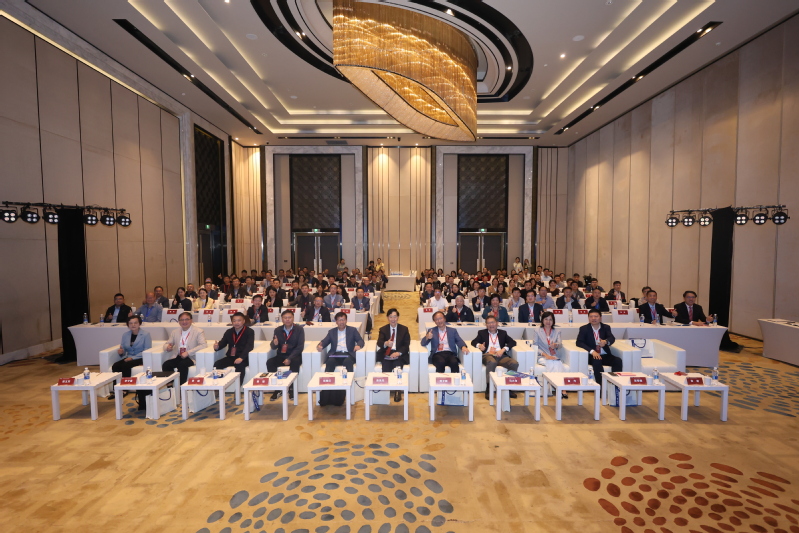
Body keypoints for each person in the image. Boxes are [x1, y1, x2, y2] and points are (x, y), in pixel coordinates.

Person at [471, 316, 518, 399]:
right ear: (486, 325)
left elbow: (513, 342)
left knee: (514, 363)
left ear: (497, 323)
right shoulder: (482, 333)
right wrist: (479, 345)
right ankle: (489, 388)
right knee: (492, 362)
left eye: (492, 322)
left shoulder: (503, 333)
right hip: (488, 355)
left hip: (501, 355)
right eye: (488, 323)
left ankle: (509, 387)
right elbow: (473, 342)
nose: (491, 325)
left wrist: (503, 349)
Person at [108, 315, 152, 398]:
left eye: (135, 323)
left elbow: (147, 350)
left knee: (126, 365)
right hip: (129, 357)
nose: (133, 325)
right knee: (115, 366)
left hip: (141, 357)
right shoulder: (125, 335)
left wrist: (132, 358)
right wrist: (121, 352)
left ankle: (125, 389)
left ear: (139, 324)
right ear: (128, 325)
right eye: (131, 323)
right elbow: (124, 348)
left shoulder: (146, 334)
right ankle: (116, 390)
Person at [268, 309, 305, 401]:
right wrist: (274, 343)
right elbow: (273, 347)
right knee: (270, 362)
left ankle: (292, 389)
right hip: (281, 355)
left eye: (289, 317)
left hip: (295, 355)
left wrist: (289, 358)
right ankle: (277, 389)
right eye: (285, 318)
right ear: (282, 319)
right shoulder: (278, 330)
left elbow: (300, 347)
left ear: (293, 318)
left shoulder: (299, 329)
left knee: (295, 363)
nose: (287, 319)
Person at [576, 309, 621, 386]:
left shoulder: (605, 327)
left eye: (596, 316)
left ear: (600, 317)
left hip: (605, 355)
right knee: (597, 361)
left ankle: (615, 384)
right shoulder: (584, 329)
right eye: (591, 316)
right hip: (592, 356)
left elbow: (611, 338)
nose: (593, 318)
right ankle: (601, 386)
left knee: (617, 360)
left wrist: (605, 342)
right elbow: (579, 342)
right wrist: (592, 351)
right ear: (588, 318)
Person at [160, 312, 207, 384]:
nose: (184, 322)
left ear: (191, 320)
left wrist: (188, 353)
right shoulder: (175, 332)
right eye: (182, 320)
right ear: (179, 322)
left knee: (182, 365)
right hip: (178, 356)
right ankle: (171, 385)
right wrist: (167, 347)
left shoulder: (198, 331)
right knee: (166, 364)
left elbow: (203, 345)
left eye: (187, 319)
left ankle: (181, 386)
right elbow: (167, 343)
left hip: (191, 357)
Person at [376, 308, 410, 402]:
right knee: (386, 366)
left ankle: (397, 390)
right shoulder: (383, 329)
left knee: (397, 366)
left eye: (395, 317)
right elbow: (379, 342)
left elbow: (406, 345)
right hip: (387, 353)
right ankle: (385, 391)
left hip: (398, 353)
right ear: (387, 318)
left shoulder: (404, 329)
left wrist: (398, 353)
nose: (393, 319)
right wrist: (386, 343)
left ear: (398, 317)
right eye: (391, 317)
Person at [213, 312, 255, 384]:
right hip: (231, 357)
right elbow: (223, 343)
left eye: (239, 320)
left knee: (240, 366)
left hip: (243, 358)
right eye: (234, 321)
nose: (236, 323)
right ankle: (218, 386)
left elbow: (249, 346)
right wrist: (217, 347)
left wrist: (241, 358)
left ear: (243, 321)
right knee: (217, 364)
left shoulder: (249, 331)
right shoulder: (229, 331)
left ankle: (237, 388)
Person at [533, 311, 568, 398]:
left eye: (550, 319)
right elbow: (535, 346)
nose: (548, 321)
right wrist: (546, 355)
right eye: (546, 319)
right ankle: (560, 388)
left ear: (553, 321)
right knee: (551, 363)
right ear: (542, 320)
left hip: (554, 355)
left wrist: (556, 345)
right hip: (542, 356)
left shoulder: (557, 331)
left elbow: (560, 344)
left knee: (558, 363)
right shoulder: (537, 331)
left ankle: (561, 387)